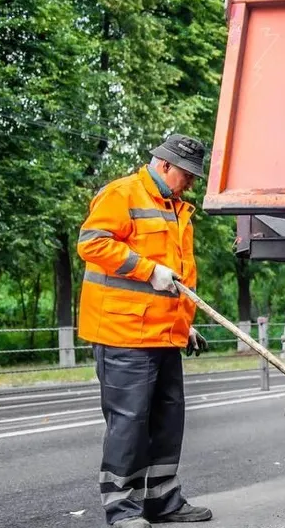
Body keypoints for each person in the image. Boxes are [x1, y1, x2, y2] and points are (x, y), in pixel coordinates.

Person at [77, 134, 213, 527]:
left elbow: (179, 278)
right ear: (164, 164)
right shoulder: (123, 193)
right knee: (130, 424)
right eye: (186, 174)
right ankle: (123, 510)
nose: (191, 182)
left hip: (162, 334)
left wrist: (183, 325)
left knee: (168, 421)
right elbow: (92, 244)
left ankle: (163, 501)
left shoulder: (174, 207)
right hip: (122, 336)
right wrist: (148, 269)